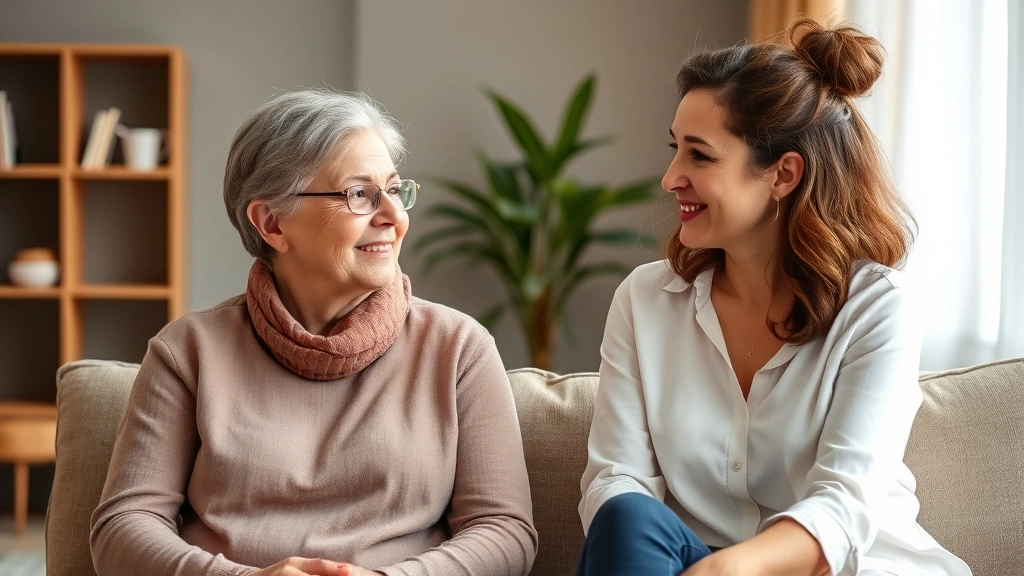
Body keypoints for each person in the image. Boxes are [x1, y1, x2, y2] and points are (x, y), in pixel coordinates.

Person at [577, 19, 971, 576]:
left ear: (783, 174)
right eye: (675, 150)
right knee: (626, 517)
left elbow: (843, 506)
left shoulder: (878, 307)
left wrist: (725, 570)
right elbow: (617, 478)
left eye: (699, 156)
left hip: (848, 567)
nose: (670, 178)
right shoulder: (645, 300)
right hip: (690, 563)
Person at [91, 89, 538, 576]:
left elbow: (504, 530)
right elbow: (123, 526)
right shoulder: (189, 351)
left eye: (395, 189)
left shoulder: (458, 348)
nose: (394, 217)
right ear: (272, 222)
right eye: (360, 194)